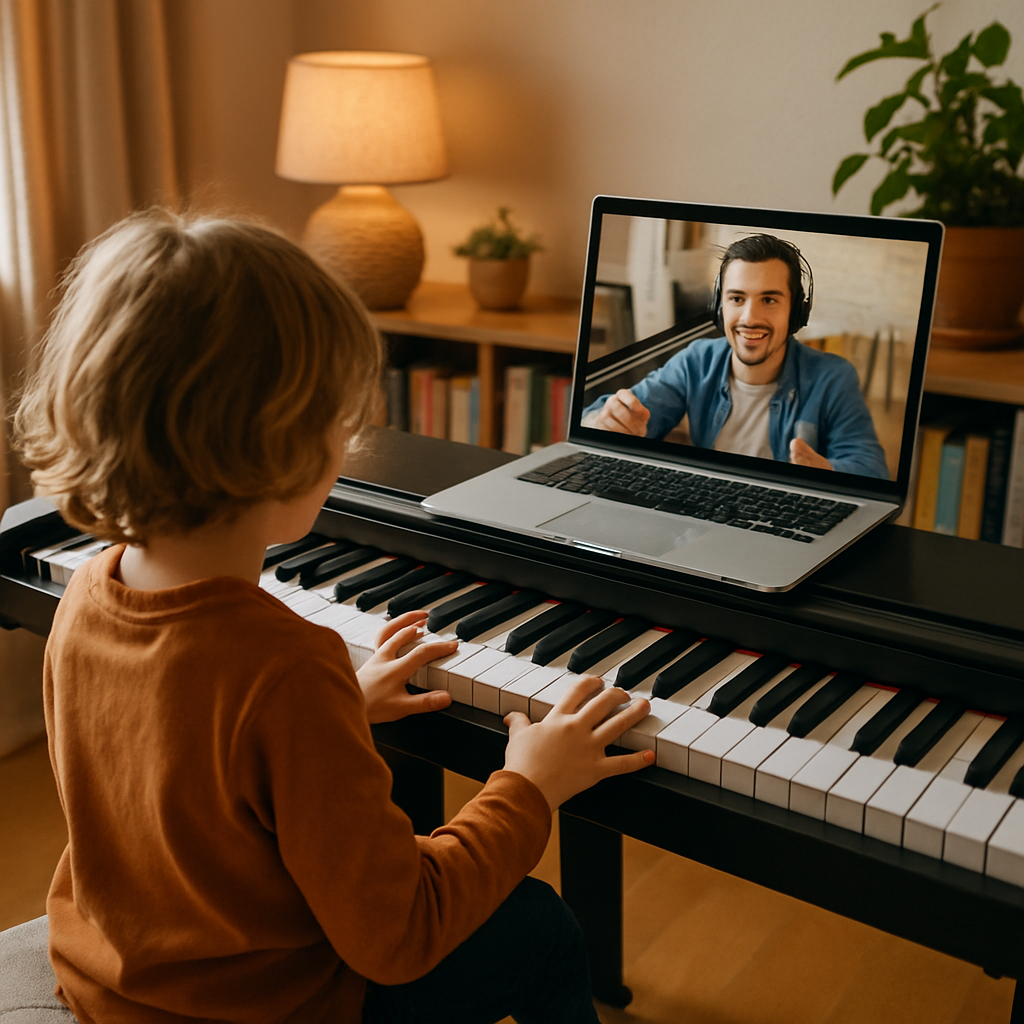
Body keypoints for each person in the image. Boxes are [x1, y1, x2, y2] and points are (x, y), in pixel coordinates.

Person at [13, 210, 655, 1024]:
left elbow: (181, 764)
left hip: (114, 981)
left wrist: (339, 709)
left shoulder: (88, 592)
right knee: (540, 927)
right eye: (338, 421)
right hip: (262, 1008)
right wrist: (529, 786)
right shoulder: (285, 665)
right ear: (281, 443)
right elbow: (400, 935)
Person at [582, 234, 890, 479]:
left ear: (796, 312)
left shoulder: (832, 377)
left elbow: (872, 469)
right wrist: (605, 422)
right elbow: (606, 418)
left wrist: (826, 471)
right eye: (737, 298)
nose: (749, 318)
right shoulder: (697, 361)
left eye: (769, 300)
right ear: (719, 307)